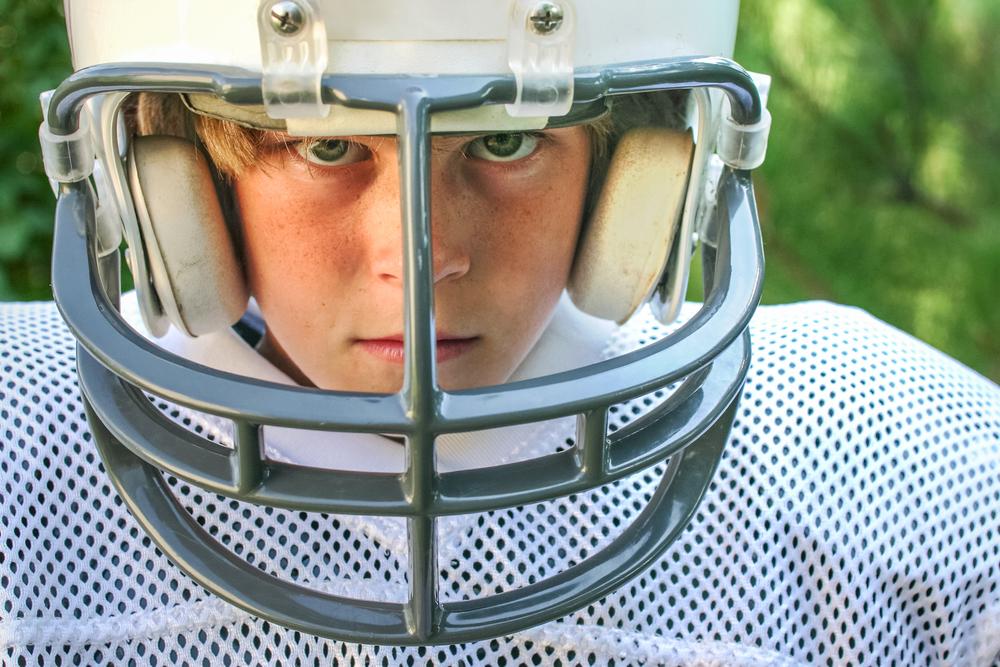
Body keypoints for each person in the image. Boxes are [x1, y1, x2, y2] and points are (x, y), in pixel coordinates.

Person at [3, 0, 998, 664]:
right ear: (167, 175)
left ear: (644, 173)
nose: (424, 254)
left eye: (506, 140)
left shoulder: (883, 460)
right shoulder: (24, 467)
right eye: (326, 143)